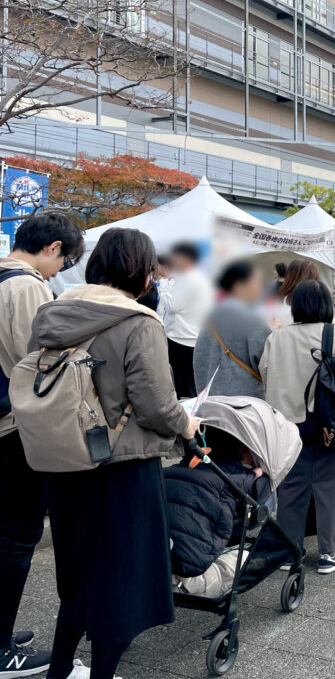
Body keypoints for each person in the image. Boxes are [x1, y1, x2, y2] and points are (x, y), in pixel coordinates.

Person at [30, 227, 198, 679]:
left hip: (62, 461)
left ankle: (61, 668)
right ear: (141, 274)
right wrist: (189, 423)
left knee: (78, 575)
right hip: (120, 468)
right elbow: (157, 405)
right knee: (122, 582)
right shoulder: (137, 322)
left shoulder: (53, 311)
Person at [0, 212, 84, 677]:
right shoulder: (27, 285)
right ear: (51, 247)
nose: (61, 269)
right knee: (16, 536)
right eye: (64, 259)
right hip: (13, 428)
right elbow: (35, 362)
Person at [261, 279, 335, 573]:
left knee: (290, 488)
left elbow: (265, 375)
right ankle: (331, 552)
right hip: (326, 422)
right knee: (329, 485)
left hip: (284, 426)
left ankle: (289, 551)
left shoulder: (276, 337)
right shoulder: (331, 332)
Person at [193, 261, 271, 399]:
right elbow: (270, 364)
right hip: (245, 406)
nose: (260, 288)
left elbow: (199, 358)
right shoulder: (251, 319)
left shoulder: (211, 315)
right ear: (239, 286)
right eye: (257, 282)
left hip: (211, 403)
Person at [162, 241, 214, 398]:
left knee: (182, 383)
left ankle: (187, 418)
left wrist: (163, 286)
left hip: (182, 338)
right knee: (189, 381)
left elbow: (172, 305)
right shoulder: (197, 276)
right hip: (191, 336)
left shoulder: (189, 278)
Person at [273, 259, 322, 327]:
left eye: (275, 269)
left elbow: (274, 329)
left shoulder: (282, 304)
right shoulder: (324, 305)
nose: (274, 271)